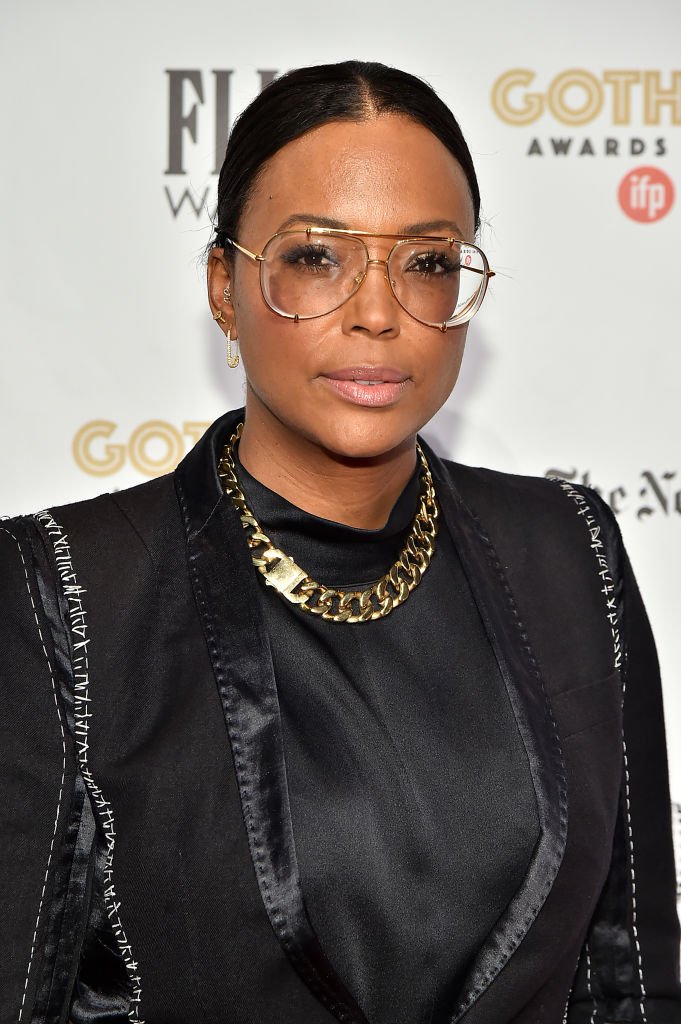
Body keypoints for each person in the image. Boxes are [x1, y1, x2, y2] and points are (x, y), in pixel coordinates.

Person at [0, 60, 679, 1024]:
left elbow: (633, 975)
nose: (376, 311)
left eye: (427, 260)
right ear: (224, 288)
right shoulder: (65, 591)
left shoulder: (570, 553)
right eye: (316, 257)